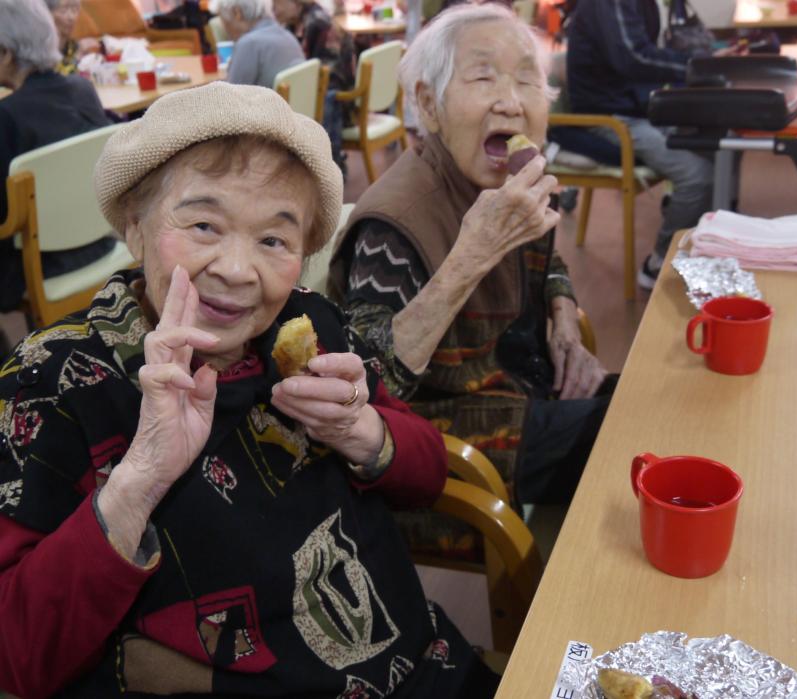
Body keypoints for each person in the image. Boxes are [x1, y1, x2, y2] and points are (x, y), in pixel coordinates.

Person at [0, 81, 501, 698]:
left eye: (273, 240)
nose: (238, 271)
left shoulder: (307, 324)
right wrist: (140, 478)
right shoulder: (51, 381)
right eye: (203, 224)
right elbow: (17, 655)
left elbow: (426, 475)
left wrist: (360, 430)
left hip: (423, 667)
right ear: (134, 226)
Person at [329, 3, 614, 512]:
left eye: (527, 81)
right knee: (630, 438)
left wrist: (565, 323)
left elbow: (547, 260)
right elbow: (368, 385)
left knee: (651, 403)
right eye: (483, 78)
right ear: (429, 105)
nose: (511, 102)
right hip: (454, 437)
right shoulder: (392, 227)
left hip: (522, 384)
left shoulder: (506, 182)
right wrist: (473, 254)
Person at [566, 0, 716, 290]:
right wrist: (697, 66)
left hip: (636, 108)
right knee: (698, 175)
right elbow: (633, 57)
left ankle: (696, 233)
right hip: (609, 116)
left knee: (715, 144)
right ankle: (658, 261)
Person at [0, 0, 114, 313]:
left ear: (6, 53)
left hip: (35, 265)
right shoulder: (82, 89)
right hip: (100, 242)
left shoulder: (7, 115)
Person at [272, 0, 355, 173]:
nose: (273, 9)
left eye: (277, 2)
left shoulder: (317, 22)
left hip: (338, 97)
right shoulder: (291, 24)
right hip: (315, 89)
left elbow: (330, 75)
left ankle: (328, 166)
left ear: (295, 3)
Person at [218, 0, 305, 90]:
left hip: (269, 99)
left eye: (223, 21)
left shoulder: (248, 43)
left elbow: (230, 95)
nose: (224, 29)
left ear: (237, 12)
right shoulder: (287, 35)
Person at [43, 0, 100, 75]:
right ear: (47, 13)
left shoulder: (73, 46)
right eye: (63, 11)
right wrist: (78, 55)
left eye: (74, 10)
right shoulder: (41, 48)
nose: (71, 17)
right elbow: (56, 78)